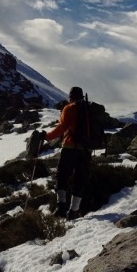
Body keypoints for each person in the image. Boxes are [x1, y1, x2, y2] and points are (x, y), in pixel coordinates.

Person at [41, 86, 91, 220]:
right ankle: (74, 211)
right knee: (79, 180)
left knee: (61, 176)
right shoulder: (89, 110)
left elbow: (61, 128)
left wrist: (47, 136)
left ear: (71, 97)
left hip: (70, 148)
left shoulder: (69, 109)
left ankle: (61, 207)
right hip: (85, 150)